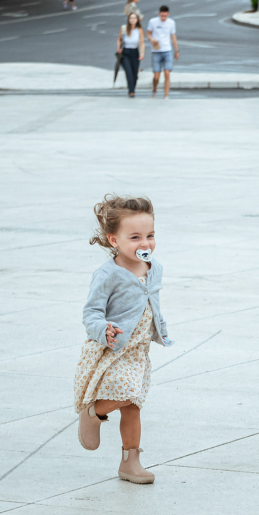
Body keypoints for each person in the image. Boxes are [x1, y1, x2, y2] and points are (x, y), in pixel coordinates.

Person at [74, 195, 173, 484]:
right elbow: (91, 312)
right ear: (114, 240)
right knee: (125, 393)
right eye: (135, 237)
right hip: (114, 348)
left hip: (138, 351)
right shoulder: (108, 274)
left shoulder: (155, 269)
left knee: (133, 406)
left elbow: (149, 303)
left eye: (150, 235)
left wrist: (160, 328)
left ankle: (131, 462)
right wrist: (102, 328)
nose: (145, 244)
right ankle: (93, 412)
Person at [147, 5, 179, 98]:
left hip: (167, 50)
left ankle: (166, 95)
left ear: (168, 14)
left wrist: (176, 50)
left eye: (165, 16)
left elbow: (173, 36)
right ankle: (155, 88)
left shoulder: (171, 23)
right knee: (156, 75)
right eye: (162, 16)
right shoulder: (152, 22)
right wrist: (151, 39)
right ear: (159, 14)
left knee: (167, 73)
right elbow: (148, 33)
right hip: (156, 51)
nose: (163, 18)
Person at [118, 13, 145, 97]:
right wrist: (118, 48)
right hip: (125, 52)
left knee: (134, 74)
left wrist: (142, 53)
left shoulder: (139, 29)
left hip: (135, 52)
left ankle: (132, 87)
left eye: (134, 18)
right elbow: (119, 39)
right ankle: (131, 91)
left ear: (137, 20)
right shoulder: (124, 28)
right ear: (128, 19)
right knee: (128, 72)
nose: (132, 20)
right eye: (131, 18)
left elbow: (142, 42)